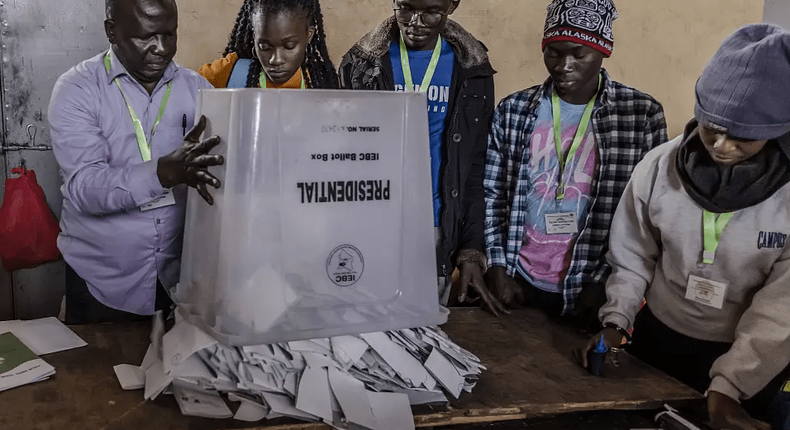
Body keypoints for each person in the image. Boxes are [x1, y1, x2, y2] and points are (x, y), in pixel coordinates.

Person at [582, 24, 790, 430]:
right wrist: (616, 322)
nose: (721, 146)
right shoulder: (660, 167)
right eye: (712, 127)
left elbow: (780, 313)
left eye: (743, 136)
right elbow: (632, 256)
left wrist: (729, 388)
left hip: (747, 359)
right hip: (659, 342)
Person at [484, 0, 667, 327]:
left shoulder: (640, 115)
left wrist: (603, 281)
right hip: (518, 280)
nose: (563, 64)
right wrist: (497, 266)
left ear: (603, 51)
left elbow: (643, 215)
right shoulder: (513, 110)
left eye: (579, 54)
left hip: (591, 291)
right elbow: (493, 193)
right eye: (553, 52)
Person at [48, 0, 224, 324]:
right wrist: (162, 172)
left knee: (173, 373)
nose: (160, 48)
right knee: (99, 372)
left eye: (169, 35)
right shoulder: (77, 90)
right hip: (102, 284)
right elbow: (85, 188)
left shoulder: (198, 89)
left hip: (178, 282)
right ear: (112, 32)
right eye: (146, 37)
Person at [338, 0, 503, 315]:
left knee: (424, 337)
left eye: (430, 11)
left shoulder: (473, 70)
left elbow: (475, 166)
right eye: (405, 8)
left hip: (436, 230)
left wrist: (471, 249)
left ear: (452, 5)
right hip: (374, 227)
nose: (415, 21)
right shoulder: (359, 65)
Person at [198, 0, 337, 89]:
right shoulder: (224, 74)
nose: (275, 60)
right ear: (254, 35)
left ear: (309, 35)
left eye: (289, 46)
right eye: (264, 47)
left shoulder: (323, 83)